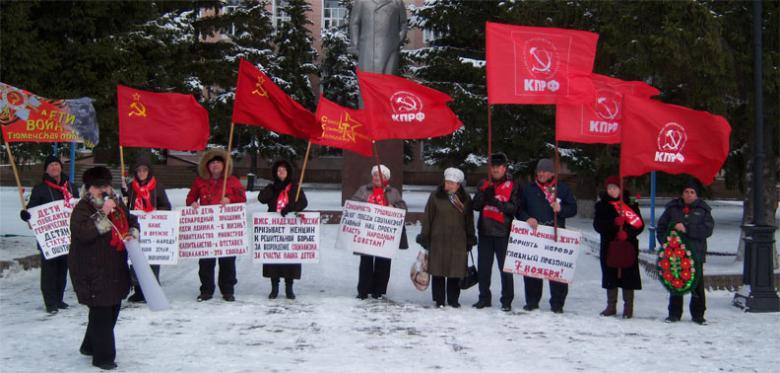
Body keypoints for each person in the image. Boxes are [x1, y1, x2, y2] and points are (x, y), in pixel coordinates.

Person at [69, 166, 139, 370]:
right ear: (89, 189)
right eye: (99, 187)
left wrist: (132, 233)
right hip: (91, 269)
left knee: (111, 308)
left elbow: (132, 220)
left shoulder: (117, 203)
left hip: (114, 267)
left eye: (106, 185)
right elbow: (83, 233)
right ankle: (104, 357)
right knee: (102, 311)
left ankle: (90, 345)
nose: (104, 190)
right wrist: (103, 213)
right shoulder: (82, 207)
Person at [186, 148, 247, 302]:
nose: (215, 165)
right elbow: (190, 197)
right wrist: (192, 203)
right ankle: (206, 290)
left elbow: (242, 197)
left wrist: (230, 199)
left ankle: (228, 290)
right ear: (207, 166)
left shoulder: (232, 180)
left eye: (218, 162)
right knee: (206, 261)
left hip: (227, 227)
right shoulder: (200, 181)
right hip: (207, 227)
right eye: (212, 162)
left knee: (227, 260)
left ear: (224, 164)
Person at [19, 155, 78, 314]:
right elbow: (32, 211)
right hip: (49, 239)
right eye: (51, 165)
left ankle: (59, 299)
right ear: (46, 169)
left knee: (62, 269)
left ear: (61, 167)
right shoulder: (40, 189)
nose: (54, 167)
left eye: (56, 164)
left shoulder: (71, 188)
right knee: (49, 271)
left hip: (67, 237)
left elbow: (78, 208)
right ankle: (50, 302)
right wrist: (26, 215)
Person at [517, 158, 577, 313]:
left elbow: (573, 209)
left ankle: (557, 303)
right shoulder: (529, 189)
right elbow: (520, 209)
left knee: (556, 271)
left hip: (555, 232)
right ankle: (532, 301)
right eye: (539, 171)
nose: (541, 174)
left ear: (552, 173)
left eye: (544, 171)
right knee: (532, 269)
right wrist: (527, 218)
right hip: (535, 234)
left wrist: (561, 209)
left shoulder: (561, 189)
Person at [656, 179, 714, 325]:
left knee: (697, 285)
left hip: (696, 253)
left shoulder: (703, 210)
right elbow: (661, 227)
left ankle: (698, 314)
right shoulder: (673, 208)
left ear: (696, 195)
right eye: (686, 192)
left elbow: (707, 230)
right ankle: (674, 313)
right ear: (682, 194)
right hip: (676, 254)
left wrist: (687, 229)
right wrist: (667, 244)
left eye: (692, 192)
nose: (689, 195)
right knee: (676, 282)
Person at [417, 168, 476, 308]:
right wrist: (425, 236)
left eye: (451, 183)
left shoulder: (465, 198)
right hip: (438, 239)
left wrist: (470, 237)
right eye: (447, 182)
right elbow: (428, 218)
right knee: (438, 269)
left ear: (458, 184)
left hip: (458, 240)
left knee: (455, 270)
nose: (448, 185)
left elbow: (469, 220)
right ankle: (439, 299)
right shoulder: (435, 197)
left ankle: (453, 299)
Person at [472, 153, 520, 312]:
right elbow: (475, 205)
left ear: (504, 168)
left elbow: (514, 208)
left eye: (498, 166)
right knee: (484, 268)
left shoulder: (512, 185)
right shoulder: (484, 183)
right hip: (485, 231)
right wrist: (484, 196)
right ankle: (484, 297)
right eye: (493, 166)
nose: (495, 169)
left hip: (503, 232)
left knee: (505, 269)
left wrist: (497, 203)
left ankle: (507, 300)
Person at [351, 164, 408, 299]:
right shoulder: (364, 190)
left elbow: (403, 207)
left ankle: (379, 291)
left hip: (385, 235)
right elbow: (353, 203)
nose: (377, 177)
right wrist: (364, 207)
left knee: (383, 263)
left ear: (386, 178)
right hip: (367, 233)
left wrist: (393, 206)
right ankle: (363, 290)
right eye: (375, 174)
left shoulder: (392, 192)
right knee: (366, 262)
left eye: (380, 175)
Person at [593, 176, 644, 318]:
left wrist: (627, 233)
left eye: (615, 188)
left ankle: (628, 308)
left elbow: (639, 225)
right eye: (609, 188)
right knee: (610, 275)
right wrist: (614, 223)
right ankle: (611, 306)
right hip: (609, 246)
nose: (612, 191)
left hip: (627, 246)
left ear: (621, 189)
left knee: (628, 276)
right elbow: (598, 225)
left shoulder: (630, 204)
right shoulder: (602, 205)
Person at [123, 154, 171, 303]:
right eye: (139, 171)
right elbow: (125, 207)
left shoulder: (157, 186)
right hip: (136, 228)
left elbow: (166, 206)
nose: (142, 173)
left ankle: (152, 290)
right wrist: (124, 196)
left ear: (149, 171)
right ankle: (138, 291)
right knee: (136, 259)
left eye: (144, 170)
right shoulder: (131, 187)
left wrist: (157, 210)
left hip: (153, 231)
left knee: (152, 260)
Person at [257, 160, 308, 300]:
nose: (281, 173)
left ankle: (289, 287)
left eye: (283, 171)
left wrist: (291, 208)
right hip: (274, 228)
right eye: (278, 171)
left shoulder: (295, 188)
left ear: (288, 173)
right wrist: (272, 189)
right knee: (274, 257)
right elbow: (261, 199)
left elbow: (303, 203)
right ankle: (274, 287)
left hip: (290, 229)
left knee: (289, 258)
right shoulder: (272, 187)